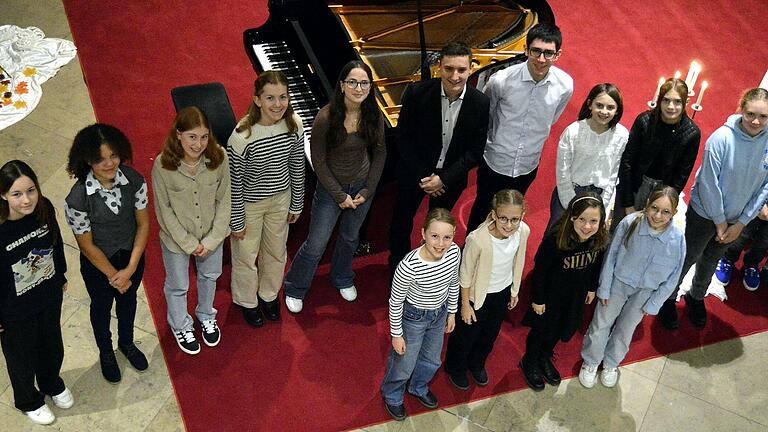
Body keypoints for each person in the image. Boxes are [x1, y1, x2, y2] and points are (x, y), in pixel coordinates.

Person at [658, 88, 768, 329]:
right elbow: (708, 182)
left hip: (737, 219)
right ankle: (667, 297)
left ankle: (696, 296)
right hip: (706, 213)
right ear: (741, 108)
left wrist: (741, 223)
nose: (756, 121)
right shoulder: (721, 139)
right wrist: (719, 221)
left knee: (711, 260)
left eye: (763, 116)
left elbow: (765, 188)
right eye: (750, 114)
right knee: (688, 256)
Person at [282, 60, 386, 313]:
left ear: (370, 87)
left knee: (350, 238)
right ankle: (295, 286)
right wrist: (340, 195)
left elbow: (380, 154)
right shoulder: (326, 117)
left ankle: (341, 276)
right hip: (331, 190)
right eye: (353, 82)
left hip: (361, 187)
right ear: (342, 85)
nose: (358, 88)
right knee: (317, 243)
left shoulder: (373, 115)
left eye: (364, 83)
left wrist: (366, 190)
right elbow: (317, 160)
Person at [388, 41, 490, 277]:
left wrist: (443, 179)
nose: (455, 76)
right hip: (415, 172)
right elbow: (403, 138)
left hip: (450, 178)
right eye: (449, 69)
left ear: (471, 69)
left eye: (461, 70)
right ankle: (398, 270)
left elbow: (475, 151)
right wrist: (426, 177)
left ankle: (429, 271)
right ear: (439, 68)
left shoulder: (480, 103)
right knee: (401, 222)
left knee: (439, 229)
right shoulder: (417, 93)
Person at [466, 22, 573, 231]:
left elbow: (551, 119)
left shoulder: (565, 85)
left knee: (511, 216)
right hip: (495, 160)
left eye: (548, 53)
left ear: (557, 55)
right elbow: (487, 116)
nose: (541, 59)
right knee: (482, 212)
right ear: (526, 50)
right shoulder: (502, 81)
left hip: (528, 164)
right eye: (536, 51)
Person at [64, 123, 150, 384]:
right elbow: (86, 245)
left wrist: (131, 268)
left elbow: (143, 224)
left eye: (113, 155)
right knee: (101, 308)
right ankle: (106, 352)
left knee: (129, 301)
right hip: (98, 265)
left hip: (131, 257)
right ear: (88, 160)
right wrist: (116, 276)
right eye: (101, 159)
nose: (110, 163)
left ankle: (127, 342)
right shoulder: (77, 198)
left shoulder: (134, 180)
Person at [579, 186, 685, 388]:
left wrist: (655, 303)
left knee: (626, 330)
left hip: (645, 293)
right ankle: (591, 361)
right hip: (618, 284)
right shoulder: (629, 224)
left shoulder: (677, 239)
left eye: (665, 212)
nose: (658, 215)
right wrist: (605, 287)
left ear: (674, 213)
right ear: (647, 204)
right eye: (654, 208)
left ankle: (611, 363)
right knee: (601, 323)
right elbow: (611, 257)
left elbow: (673, 276)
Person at [227, 70, 305, 326]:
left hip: (280, 199)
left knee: (275, 252)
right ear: (257, 100)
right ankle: (247, 301)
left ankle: (269, 295)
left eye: (283, 97)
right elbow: (234, 183)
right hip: (249, 204)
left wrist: (297, 201)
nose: (278, 104)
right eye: (270, 98)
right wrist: (236, 220)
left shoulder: (293, 124)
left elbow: (296, 165)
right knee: (245, 256)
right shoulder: (241, 137)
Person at [0, 161, 73, 425]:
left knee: (52, 345)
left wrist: (61, 274)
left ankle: (51, 383)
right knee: (21, 357)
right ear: (3, 195)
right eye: (17, 194)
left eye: (31, 190)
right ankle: (28, 400)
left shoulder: (45, 209)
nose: (26, 200)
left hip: (47, 296)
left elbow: (55, 242)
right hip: (13, 310)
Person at [153, 107, 230, 354]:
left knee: (209, 277)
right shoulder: (162, 165)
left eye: (204, 137)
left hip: (211, 237)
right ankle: (180, 324)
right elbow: (164, 211)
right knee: (178, 285)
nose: (198, 144)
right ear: (179, 135)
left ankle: (206, 314)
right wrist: (189, 243)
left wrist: (212, 239)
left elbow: (225, 200)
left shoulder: (219, 157)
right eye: (192, 137)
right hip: (177, 241)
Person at [519, 192, 609, 391]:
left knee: (562, 328)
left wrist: (592, 287)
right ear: (572, 217)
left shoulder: (598, 239)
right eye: (582, 220)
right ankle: (530, 360)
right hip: (551, 297)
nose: (587, 226)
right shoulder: (556, 239)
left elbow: (596, 266)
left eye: (593, 221)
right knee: (541, 329)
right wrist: (538, 298)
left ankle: (545, 355)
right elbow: (541, 271)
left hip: (575, 296)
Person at [443, 189, 530, 390]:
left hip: (501, 293)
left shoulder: (523, 231)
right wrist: (465, 305)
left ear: (522, 217)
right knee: (466, 335)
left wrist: (514, 290)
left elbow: (519, 260)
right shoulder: (478, 239)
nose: (509, 225)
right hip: (475, 297)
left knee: (490, 334)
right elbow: (464, 275)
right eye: (504, 218)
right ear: (493, 215)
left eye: (515, 219)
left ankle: (477, 363)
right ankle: (455, 367)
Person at [380, 208, 460, 421]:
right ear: (423, 233)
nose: (441, 244)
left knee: (432, 358)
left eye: (447, 237)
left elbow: (453, 282)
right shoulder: (408, 266)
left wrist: (452, 311)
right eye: (435, 236)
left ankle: (418, 386)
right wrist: (396, 334)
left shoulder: (454, 252)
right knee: (404, 362)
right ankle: (392, 394)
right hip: (413, 318)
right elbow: (395, 301)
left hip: (440, 313)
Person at [613, 78, 701, 229]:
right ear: (660, 100)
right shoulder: (644, 121)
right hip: (635, 185)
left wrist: (666, 205)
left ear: (685, 103)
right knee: (619, 229)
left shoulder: (692, 133)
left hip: (662, 190)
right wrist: (628, 203)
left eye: (677, 102)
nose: (671, 106)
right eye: (666, 100)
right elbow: (627, 161)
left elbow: (681, 175)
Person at [548, 83, 628, 230]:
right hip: (570, 192)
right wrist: (571, 205)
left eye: (610, 107)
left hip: (599, 196)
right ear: (590, 104)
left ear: (617, 110)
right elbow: (563, 172)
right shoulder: (573, 132)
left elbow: (613, 174)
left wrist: (603, 205)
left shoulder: (622, 135)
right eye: (599, 105)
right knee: (555, 240)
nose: (604, 112)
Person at [713, 201, 768, 291]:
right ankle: (727, 258)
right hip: (758, 198)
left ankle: (752, 264)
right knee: (743, 233)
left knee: (763, 241)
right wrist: (760, 203)